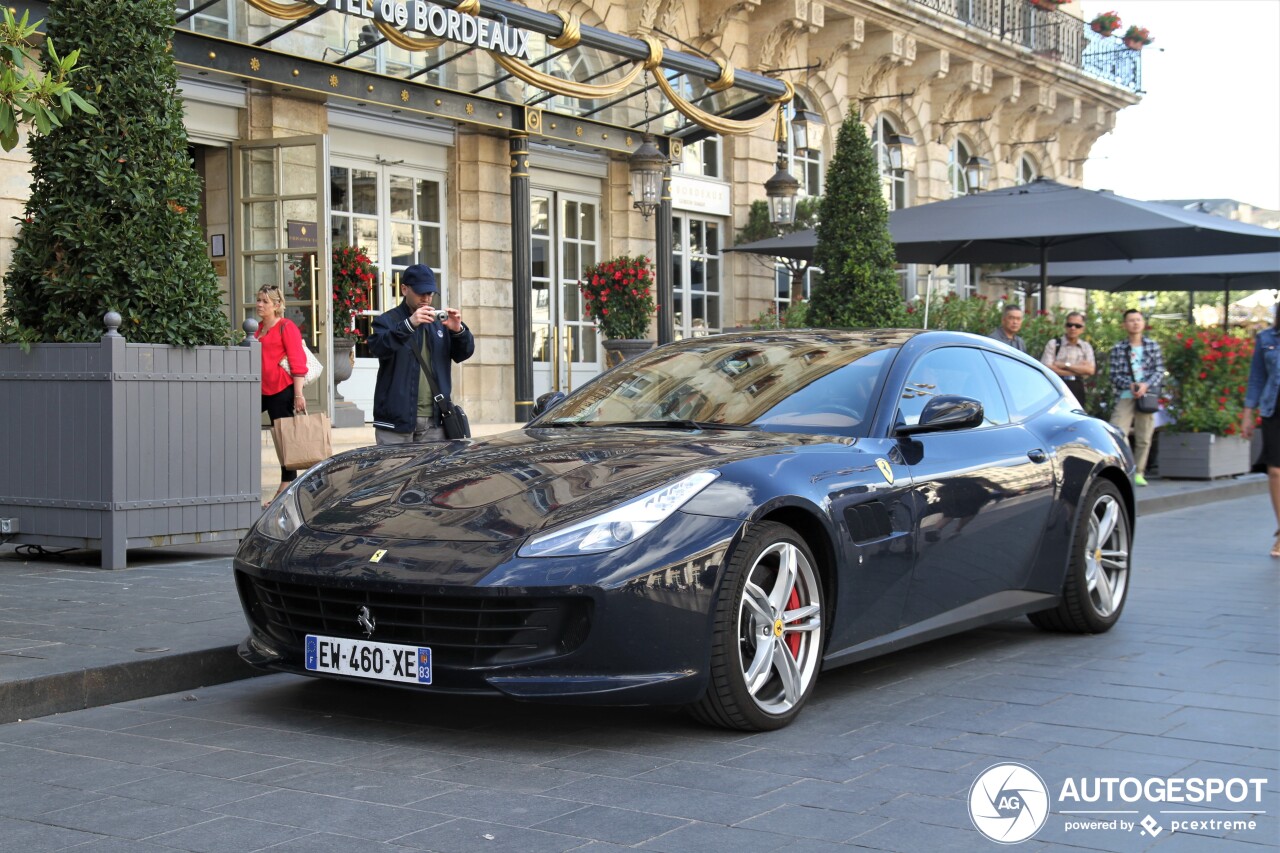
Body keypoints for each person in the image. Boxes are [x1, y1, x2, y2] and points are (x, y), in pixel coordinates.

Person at [368, 264, 474, 445]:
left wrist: (458, 331)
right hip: (395, 422)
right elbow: (377, 347)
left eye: (430, 294)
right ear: (404, 289)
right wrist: (409, 325)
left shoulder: (439, 322)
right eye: (420, 293)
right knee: (394, 473)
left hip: (435, 422)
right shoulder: (387, 321)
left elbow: (463, 354)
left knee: (431, 474)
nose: (426, 298)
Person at [255, 284, 308, 502]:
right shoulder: (257, 329)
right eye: (258, 299)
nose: (259, 304)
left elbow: (298, 362)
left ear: (277, 305)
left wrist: (298, 394)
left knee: (284, 440)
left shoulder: (286, 327)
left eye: (265, 301)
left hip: (281, 389)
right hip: (259, 389)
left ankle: (286, 488)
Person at [1108, 309, 1164, 487]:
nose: (1135, 323)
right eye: (1131, 320)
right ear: (1125, 324)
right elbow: (1113, 375)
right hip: (1125, 394)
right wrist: (1129, 385)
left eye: (1138, 320)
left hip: (1147, 396)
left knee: (1145, 436)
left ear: (1143, 323)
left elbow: (1159, 370)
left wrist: (1146, 385)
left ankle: (1139, 472)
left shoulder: (1152, 346)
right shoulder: (1118, 348)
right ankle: (1125, 468)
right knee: (1117, 431)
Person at [1240, 314, 1280, 556]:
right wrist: (1247, 414)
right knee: (1275, 470)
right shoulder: (1266, 338)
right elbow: (1257, 378)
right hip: (1274, 409)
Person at [1041, 311, 1095, 408]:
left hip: (1078, 388)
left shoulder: (1086, 347)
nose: (1073, 328)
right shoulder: (1054, 344)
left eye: (1077, 326)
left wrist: (1065, 365)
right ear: (1065, 326)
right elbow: (1047, 369)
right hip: (1056, 386)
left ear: (1083, 328)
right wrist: (1079, 371)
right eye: (1069, 325)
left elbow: (1090, 370)